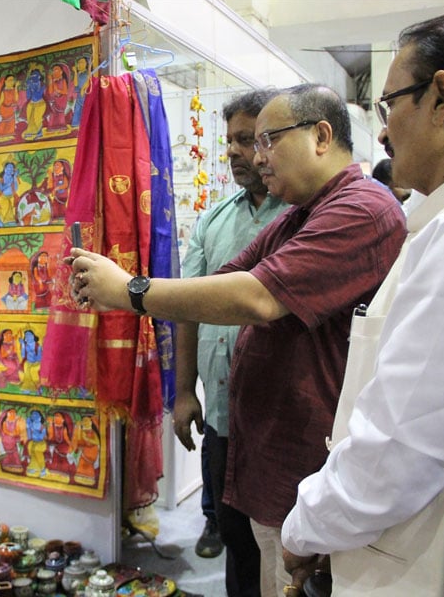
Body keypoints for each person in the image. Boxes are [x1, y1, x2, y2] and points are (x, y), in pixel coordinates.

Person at [69, 84, 406, 596]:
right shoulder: (299, 214)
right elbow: (221, 283)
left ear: (321, 136)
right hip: (267, 457)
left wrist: (129, 290)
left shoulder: (362, 210)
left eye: (268, 140)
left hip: (309, 468)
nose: (257, 156)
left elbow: (257, 298)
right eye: (249, 142)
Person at [281, 8, 444, 597]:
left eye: (389, 104)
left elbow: (398, 453)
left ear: (442, 97)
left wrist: (306, 528)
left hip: (422, 565)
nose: (384, 131)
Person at [172, 88, 287, 593]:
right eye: (232, 142)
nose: (237, 153)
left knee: (284, 547)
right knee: (237, 541)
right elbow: (186, 309)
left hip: (279, 420)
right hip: (221, 415)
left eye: (248, 140)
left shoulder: (303, 216)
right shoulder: (214, 220)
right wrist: (183, 392)